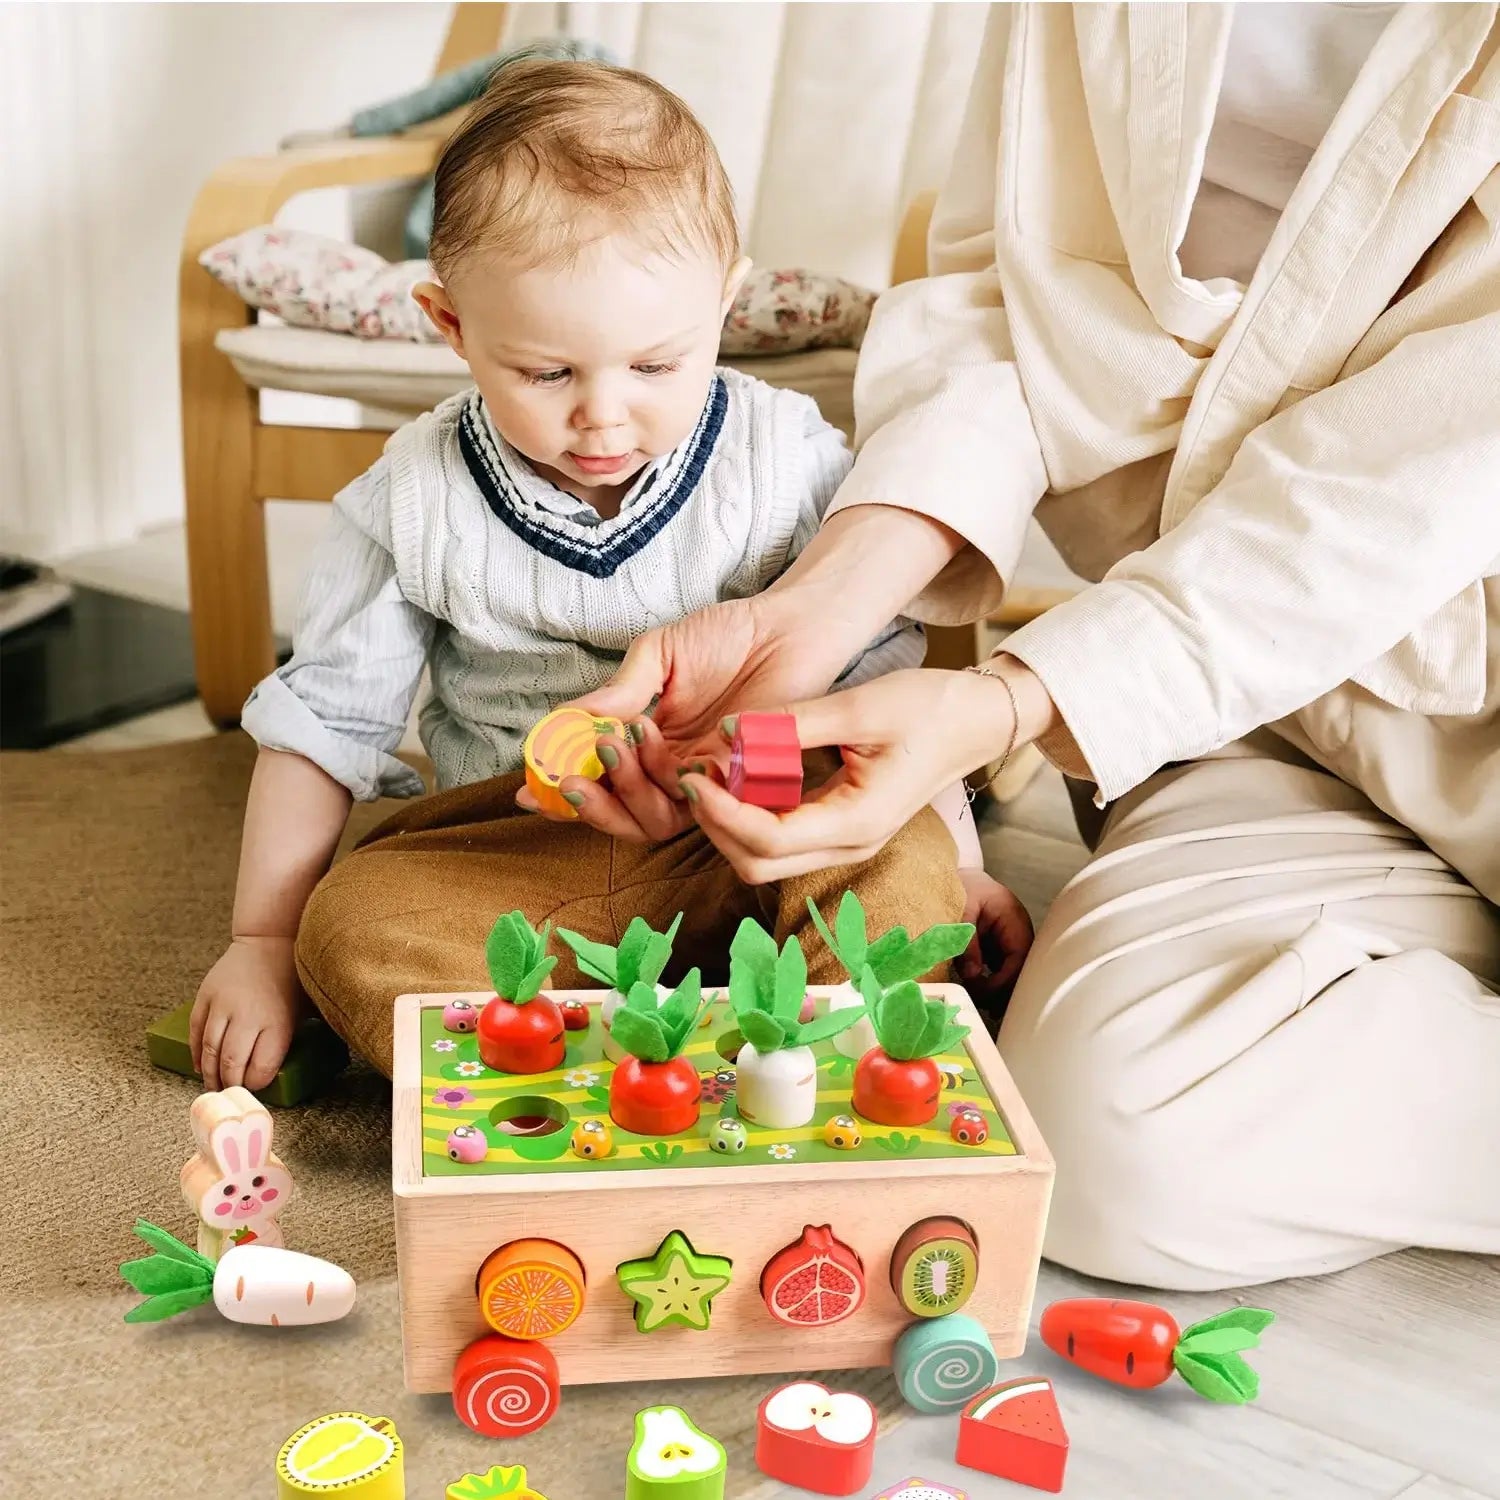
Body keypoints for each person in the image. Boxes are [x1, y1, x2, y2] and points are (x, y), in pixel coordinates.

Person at [555, 4, 1500, 1292]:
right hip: (1279, 712)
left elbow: (1417, 477)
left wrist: (1014, 702)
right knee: (1117, 1141)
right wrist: (824, 609)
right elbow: (1014, 293)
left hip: (1376, 642)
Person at [190, 60, 1032, 1088]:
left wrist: (964, 864)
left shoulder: (788, 456)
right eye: (547, 372)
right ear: (452, 326)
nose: (602, 414)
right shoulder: (408, 501)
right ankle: (611, 1070)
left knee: (893, 870)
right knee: (350, 931)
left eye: (654, 365)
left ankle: (809, 1055)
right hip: (525, 849)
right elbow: (321, 728)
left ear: (725, 305)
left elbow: (876, 692)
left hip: (771, 833)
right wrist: (262, 942)